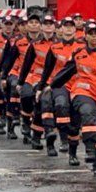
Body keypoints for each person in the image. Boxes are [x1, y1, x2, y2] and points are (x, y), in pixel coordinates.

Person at [49, 21, 96, 177]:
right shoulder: (78, 54)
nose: (94, 36)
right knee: (87, 112)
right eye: (90, 33)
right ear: (85, 36)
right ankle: (88, 149)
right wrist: (52, 85)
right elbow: (66, 72)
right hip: (84, 91)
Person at [35, 17, 83, 165]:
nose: (68, 29)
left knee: (75, 117)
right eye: (65, 26)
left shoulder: (82, 47)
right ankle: (58, 139)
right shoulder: (54, 48)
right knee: (59, 105)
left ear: (75, 29)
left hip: (78, 85)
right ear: (60, 29)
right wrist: (41, 87)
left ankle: (71, 145)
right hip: (59, 85)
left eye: (71, 26)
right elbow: (47, 69)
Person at [14, 15, 57, 150]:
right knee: (33, 99)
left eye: (51, 24)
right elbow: (26, 64)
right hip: (36, 78)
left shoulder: (60, 44)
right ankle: (31, 124)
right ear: (42, 27)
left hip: (56, 80)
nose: (49, 26)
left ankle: (43, 137)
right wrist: (20, 82)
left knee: (49, 106)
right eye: (46, 24)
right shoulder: (35, 45)